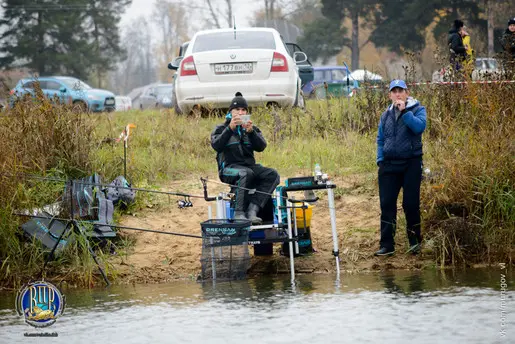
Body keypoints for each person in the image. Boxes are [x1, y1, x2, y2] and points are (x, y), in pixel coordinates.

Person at [210, 92, 280, 225]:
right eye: (237, 109)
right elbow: (216, 145)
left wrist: (251, 132)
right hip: (228, 169)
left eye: (243, 110)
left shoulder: (250, 128)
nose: (240, 113)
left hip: (249, 168)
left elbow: (262, 147)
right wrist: (230, 129)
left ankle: (252, 211)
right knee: (245, 173)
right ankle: (238, 213)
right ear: (231, 111)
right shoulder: (220, 128)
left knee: (272, 174)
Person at [375, 80, 427, 256]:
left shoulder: (418, 110)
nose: (397, 94)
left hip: (411, 163)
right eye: (394, 91)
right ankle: (387, 245)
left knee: (410, 204)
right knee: (387, 205)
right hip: (389, 164)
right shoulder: (385, 115)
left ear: (407, 93)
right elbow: (380, 139)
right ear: (390, 95)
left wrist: (404, 111)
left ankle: (414, 243)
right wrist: (380, 160)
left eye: (400, 91)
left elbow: (419, 128)